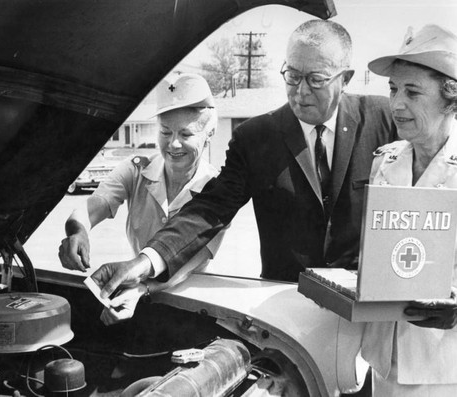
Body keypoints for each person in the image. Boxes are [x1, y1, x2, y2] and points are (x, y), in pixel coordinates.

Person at [90, 19, 397, 302]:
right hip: (288, 306)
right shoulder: (256, 137)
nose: (301, 91)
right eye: (292, 75)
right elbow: (209, 210)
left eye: (316, 79)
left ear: (345, 79)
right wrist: (145, 262)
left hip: (368, 306)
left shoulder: (385, 121)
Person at [58, 73, 225, 323]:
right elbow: (92, 207)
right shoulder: (136, 169)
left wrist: (141, 288)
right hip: (136, 293)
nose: (173, 144)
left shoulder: (218, 189)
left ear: (209, 134)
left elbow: (190, 261)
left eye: (186, 134)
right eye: (165, 132)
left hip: (193, 304)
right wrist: (77, 231)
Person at [359, 24, 457, 396]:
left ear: (451, 97)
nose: (397, 104)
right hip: (383, 358)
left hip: (443, 367)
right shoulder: (386, 161)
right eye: (393, 89)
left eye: (412, 92)